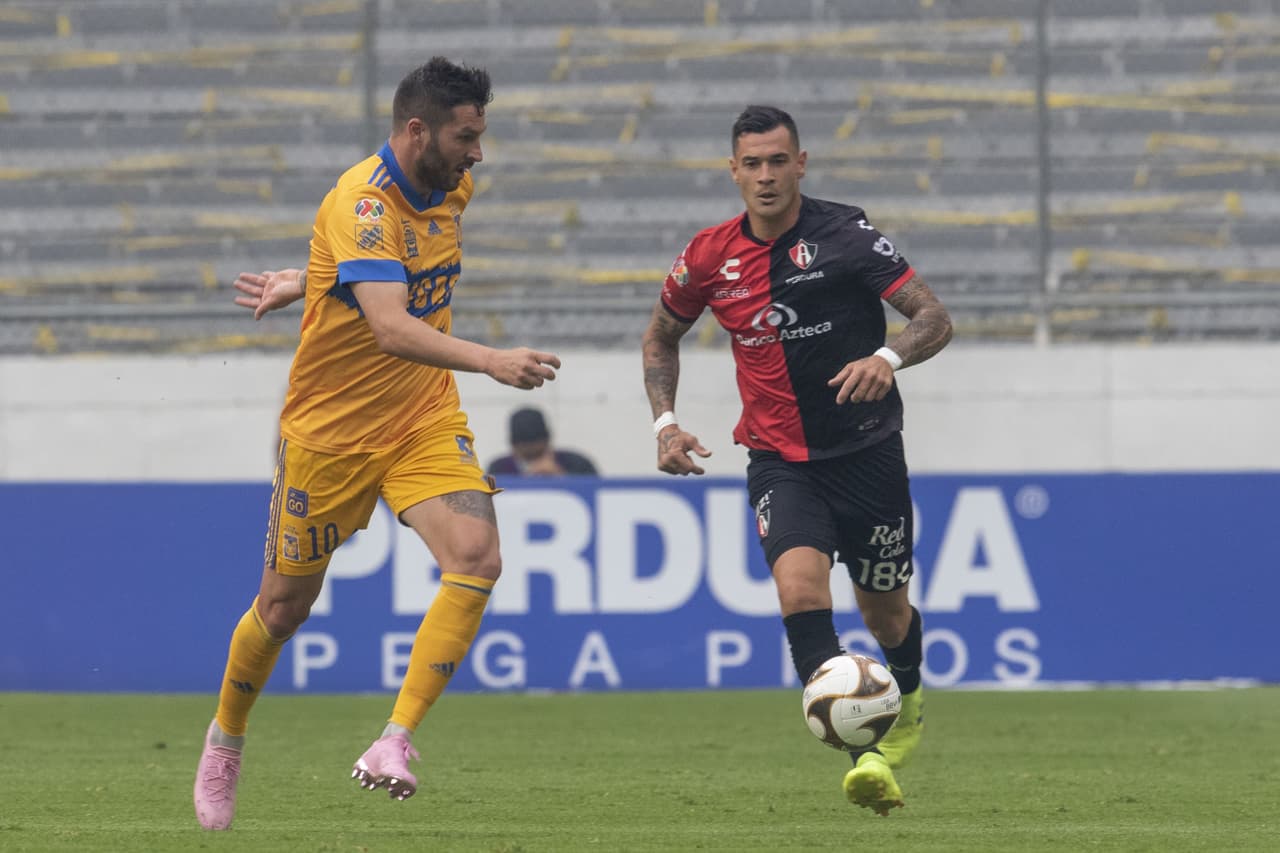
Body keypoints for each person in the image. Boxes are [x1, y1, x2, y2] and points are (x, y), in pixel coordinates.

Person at [194, 57, 562, 831]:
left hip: (421, 418)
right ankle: (226, 738)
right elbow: (391, 327)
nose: (478, 154)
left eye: (481, 136)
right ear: (417, 130)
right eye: (467, 137)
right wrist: (494, 360)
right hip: (329, 436)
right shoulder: (361, 202)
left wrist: (312, 275)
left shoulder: (450, 184)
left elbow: (383, 269)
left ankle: (393, 742)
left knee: (477, 555)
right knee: (284, 607)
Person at [640, 105, 953, 816]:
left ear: (801, 163)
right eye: (751, 164)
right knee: (799, 592)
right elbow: (660, 337)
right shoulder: (707, 257)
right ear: (733, 171)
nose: (766, 176)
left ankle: (910, 702)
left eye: (778, 161)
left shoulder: (845, 234)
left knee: (888, 614)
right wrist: (665, 422)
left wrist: (886, 355)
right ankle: (865, 752)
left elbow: (933, 317)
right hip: (780, 458)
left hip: (868, 451)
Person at [486, 406, 598, 476]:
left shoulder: (577, 464)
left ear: (548, 440)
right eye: (527, 457)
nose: (534, 461)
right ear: (513, 447)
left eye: (539, 453)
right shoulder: (499, 469)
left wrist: (561, 477)